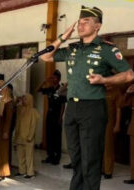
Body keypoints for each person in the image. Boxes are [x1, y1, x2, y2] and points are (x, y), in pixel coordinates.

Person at [41, 5, 134, 190]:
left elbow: (129, 75)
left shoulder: (106, 49)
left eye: (86, 22)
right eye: (80, 21)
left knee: (90, 160)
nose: (80, 25)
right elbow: (45, 57)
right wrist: (62, 38)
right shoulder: (72, 49)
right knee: (76, 158)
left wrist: (104, 79)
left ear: (97, 26)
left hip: (93, 108)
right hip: (72, 109)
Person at [38, 70, 66, 165]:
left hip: (57, 115)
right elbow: (38, 90)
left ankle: (56, 158)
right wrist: (45, 81)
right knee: (49, 135)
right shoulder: (49, 89)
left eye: (55, 78)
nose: (54, 79)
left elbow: (63, 105)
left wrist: (60, 117)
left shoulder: (61, 89)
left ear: (59, 79)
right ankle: (50, 156)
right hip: (49, 114)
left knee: (57, 137)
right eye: (52, 77)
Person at [14, 93, 39, 178]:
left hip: (28, 138)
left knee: (29, 156)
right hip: (19, 136)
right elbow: (13, 105)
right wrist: (17, 99)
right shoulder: (20, 109)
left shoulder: (33, 111)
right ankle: (22, 171)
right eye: (23, 99)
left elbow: (33, 125)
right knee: (20, 155)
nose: (23, 101)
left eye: (25, 99)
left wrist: (30, 136)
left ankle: (30, 173)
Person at [102, 85, 122, 179]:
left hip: (110, 122)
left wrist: (117, 124)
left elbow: (118, 109)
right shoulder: (100, 90)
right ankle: (101, 168)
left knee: (108, 147)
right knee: (99, 146)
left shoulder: (116, 91)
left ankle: (108, 171)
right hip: (98, 122)